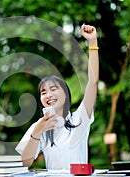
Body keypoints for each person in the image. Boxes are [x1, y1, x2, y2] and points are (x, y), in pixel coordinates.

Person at [15, 24, 99, 169]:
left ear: (66, 95)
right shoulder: (39, 126)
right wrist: (37, 132)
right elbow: (23, 164)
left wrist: (92, 43)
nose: (48, 95)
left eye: (53, 89)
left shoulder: (80, 119)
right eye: (43, 92)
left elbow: (93, 82)